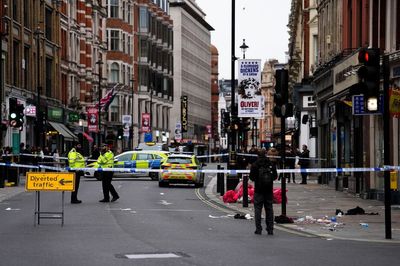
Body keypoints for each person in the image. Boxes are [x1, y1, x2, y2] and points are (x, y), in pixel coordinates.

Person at [249, 148, 278, 235]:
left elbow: (251, 177)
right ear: (266, 154)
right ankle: (270, 229)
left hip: (258, 190)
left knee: (258, 209)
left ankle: (258, 229)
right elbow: (275, 176)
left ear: (257, 155)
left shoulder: (255, 164)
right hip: (268, 190)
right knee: (269, 209)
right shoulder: (271, 163)